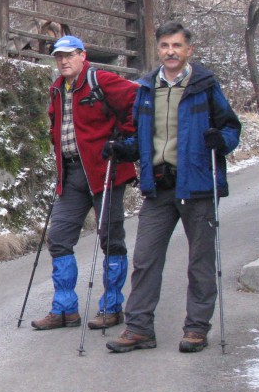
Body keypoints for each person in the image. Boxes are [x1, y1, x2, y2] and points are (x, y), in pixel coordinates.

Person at [103, 21, 241, 354]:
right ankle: (139, 329)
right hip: (158, 186)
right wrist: (125, 148)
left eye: (177, 46)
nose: (170, 52)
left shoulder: (205, 85)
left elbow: (231, 128)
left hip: (197, 186)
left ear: (188, 50)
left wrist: (220, 140)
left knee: (200, 262)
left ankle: (196, 328)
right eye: (165, 46)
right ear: (158, 49)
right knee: (145, 259)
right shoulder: (147, 87)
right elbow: (141, 136)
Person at [30, 35, 137, 332]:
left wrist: (125, 140)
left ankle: (112, 307)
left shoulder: (101, 80)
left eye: (68, 55)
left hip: (106, 171)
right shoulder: (56, 89)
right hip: (72, 174)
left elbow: (138, 100)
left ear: (82, 55)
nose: (63, 61)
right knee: (59, 238)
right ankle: (65, 310)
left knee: (110, 239)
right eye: (58, 56)